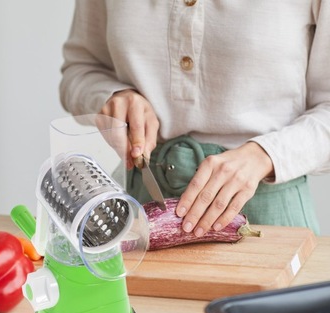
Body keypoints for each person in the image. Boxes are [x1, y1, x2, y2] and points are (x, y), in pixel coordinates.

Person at [60, 0, 330, 236]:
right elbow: (81, 69)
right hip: (141, 210)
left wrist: (264, 155)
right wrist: (111, 97)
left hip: (269, 216)